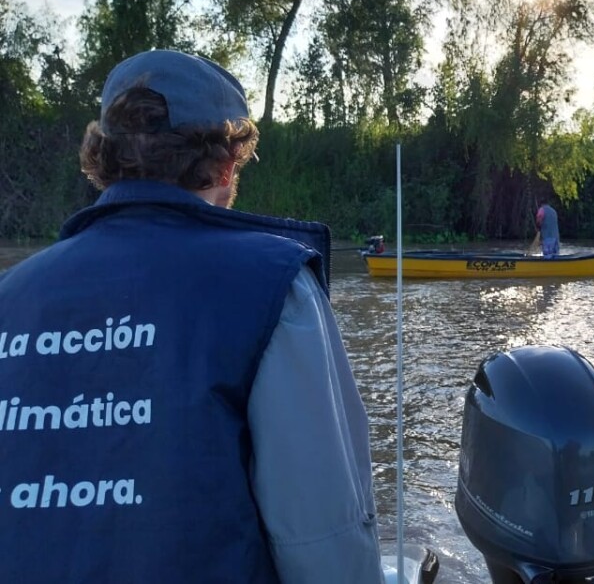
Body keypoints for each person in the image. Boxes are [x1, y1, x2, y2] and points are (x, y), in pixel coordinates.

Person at [0, 50, 384, 583]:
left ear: (103, 159)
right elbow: (322, 542)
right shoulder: (273, 283)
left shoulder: (9, 294)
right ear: (227, 163)